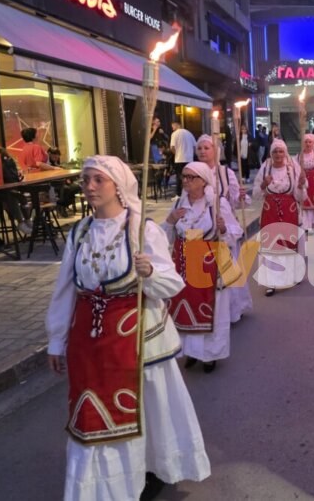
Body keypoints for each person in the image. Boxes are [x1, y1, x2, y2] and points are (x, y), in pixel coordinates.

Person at [45, 155, 211, 500]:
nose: (89, 187)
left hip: (138, 338)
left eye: (98, 180)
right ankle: (104, 488)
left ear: (118, 186)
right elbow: (65, 290)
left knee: (147, 408)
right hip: (89, 342)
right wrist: (56, 340)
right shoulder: (80, 232)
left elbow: (172, 284)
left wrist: (150, 272)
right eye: (85, 180)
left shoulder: (141, 230)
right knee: (93, 412)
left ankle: (147, 470)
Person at [163, 162, 242, 373]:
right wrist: (170, 220)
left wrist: (223, 229)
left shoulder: (216, 204)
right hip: (183, 266)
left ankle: (210, 355)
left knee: (212, 311)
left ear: (204, 181)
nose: (186, 181)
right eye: (184, 176)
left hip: (209, 266)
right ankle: (191, 352)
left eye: (192, 177)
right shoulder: (178, 204)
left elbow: (236, 231)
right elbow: (165, 237)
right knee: (186, 310)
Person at [196, 134, 253, 323]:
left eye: (207, 148)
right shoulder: (193, 171)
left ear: (215, 150)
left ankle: (233, 309)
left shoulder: (225, 173)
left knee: (228, 267)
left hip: (224, 224)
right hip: (202, 226)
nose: (203, 151)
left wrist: (241, 196)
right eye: (200, 148)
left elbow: (235, 200)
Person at [253, 139, 308, 296]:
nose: (278, 154)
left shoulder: (293, 168)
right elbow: (256, 195)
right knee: (271, 246)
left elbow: (301, 197)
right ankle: (271, 281)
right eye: (275, 151)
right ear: (271, 153)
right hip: (270, 212)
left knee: (289, 245)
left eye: (281, 151)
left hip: (289, 211)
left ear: (285, 153)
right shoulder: (265, 168)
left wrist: (300, 185)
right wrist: (263, 184)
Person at [0, 146, 34, 235]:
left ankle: (25, 220)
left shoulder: (2, 163)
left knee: (20, 197)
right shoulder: (8, 162)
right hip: (2, 192)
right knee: (14, 197)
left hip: (8, 188)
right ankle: (22, 221)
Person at [169, 121, 196, 197]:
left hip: (179, 159)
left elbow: (172, 147)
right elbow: (195, 146)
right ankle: (190, 192)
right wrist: (191, 155)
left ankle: (179, 194)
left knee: (179, 177)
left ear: (177, 125)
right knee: (190, 177)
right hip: (189, 159)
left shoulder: (174, 134)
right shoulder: (189, 133)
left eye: (173, 126)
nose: (172, 128)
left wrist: (176, 153)